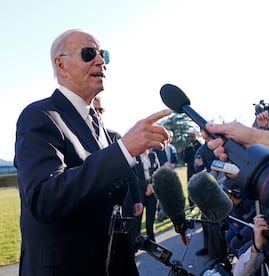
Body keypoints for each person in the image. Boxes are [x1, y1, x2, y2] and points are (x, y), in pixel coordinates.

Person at [14, 28, 171, 276]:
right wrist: (124, 149)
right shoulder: (40, 116)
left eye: (103, 55)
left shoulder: (97, 122)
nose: (100, 61)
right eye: (89, 54)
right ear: (61, 64)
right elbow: (44, 197)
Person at [135, 149, 160, 242]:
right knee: (137, 218)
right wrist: (146, 185)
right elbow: (134, 175)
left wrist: (152, 185)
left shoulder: (153, 155)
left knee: (151, 217)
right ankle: (136, 242)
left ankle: (151, 240)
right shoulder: (135, 156)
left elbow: (157, 171)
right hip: (139, 192)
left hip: (152, 191)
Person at [183, 131, 202, 209]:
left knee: (201, 187)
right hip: (190, 170)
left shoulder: (200, 147)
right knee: (190, 187)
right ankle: (191, 206)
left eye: (193, 137)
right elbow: (185, 160)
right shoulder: (188, 148)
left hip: (199, 170)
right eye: (191, 137)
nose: (192, 139)